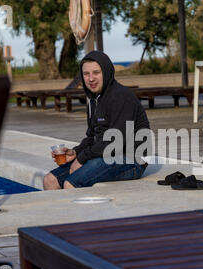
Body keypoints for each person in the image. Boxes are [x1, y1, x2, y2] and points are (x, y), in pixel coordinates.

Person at [43, 51, 150, 189]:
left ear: (106, 72)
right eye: (86, 74)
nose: (91, 78)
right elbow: (93, 136)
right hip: (107, 153)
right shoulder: (95, 99)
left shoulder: (121, 97)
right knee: (50, 180)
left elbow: (115, 141)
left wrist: (82, 158)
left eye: (96, 73)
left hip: (132, 160)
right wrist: (75, 152)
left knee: (71, 184)